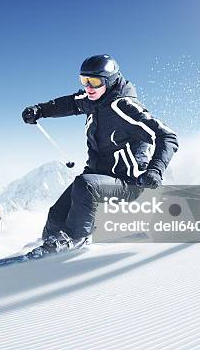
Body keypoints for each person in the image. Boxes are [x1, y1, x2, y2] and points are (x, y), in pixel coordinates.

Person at [22, 54, 179, 255]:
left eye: (94, 81)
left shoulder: (124, 107)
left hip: (128, 182)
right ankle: (48, 245)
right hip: (98, 177)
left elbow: (167, 137)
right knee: (56, 215)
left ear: (110, 81)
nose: (88, 87)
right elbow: (69, 103)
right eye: (84, 80)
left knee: (85, 185)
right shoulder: (92, 100)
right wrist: (39, 110)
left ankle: (75, 240)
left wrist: (155, 169)